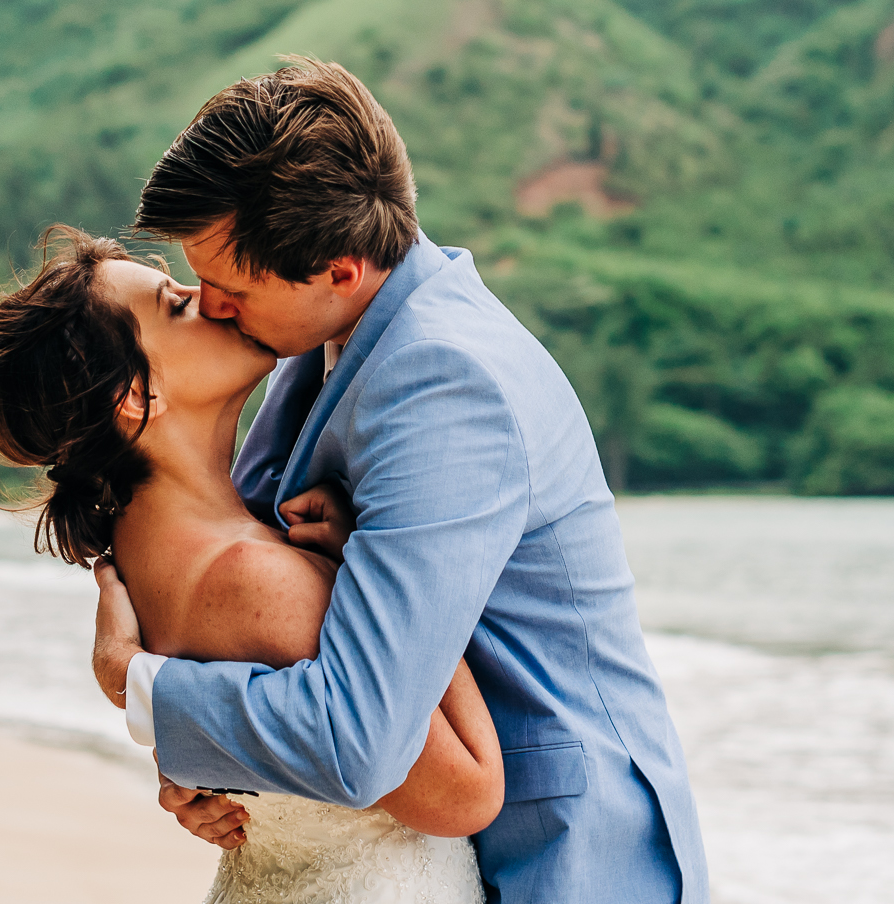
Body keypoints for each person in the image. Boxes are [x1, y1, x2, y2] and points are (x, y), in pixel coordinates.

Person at [94, 59, 707, 904]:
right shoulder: (328, 336)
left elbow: (357, 740)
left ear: (339, 269)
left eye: (230, 286)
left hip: (558, 858)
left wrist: (146, 691)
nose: (213, 305)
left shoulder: (447, 383)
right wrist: (234, 775)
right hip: (416, 837)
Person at [0, 225, 501, 902]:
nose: (214, 298)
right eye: (177, 304)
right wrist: (372, 570)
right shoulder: (256, 580)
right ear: (135, 397)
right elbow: (466, 792)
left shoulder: (142, 570)